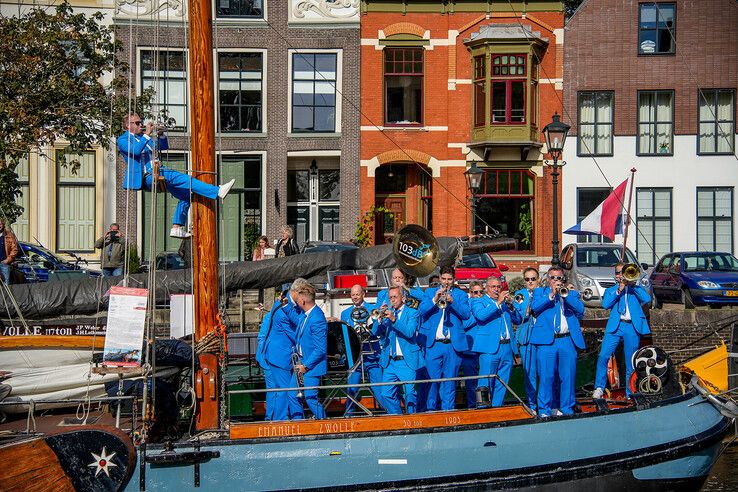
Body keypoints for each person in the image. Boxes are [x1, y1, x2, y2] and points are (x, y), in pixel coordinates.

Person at [117, 113, 235, 239]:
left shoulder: (144, 138)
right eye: (137, 123)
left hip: (157, 171)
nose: (141, 125)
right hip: (146, 176)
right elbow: (135, 151)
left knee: (186, 194)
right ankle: (217, 191)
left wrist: (161, 134)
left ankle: (176, 227)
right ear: (127, 125)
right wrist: (147, 134)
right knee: (178, 177)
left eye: (141, 122)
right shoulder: (123, 140)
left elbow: (162, 147)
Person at [530, 267, 585, 418]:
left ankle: (567, 408)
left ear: (563, 280)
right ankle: (544, 410)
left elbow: (581, 310)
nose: (556, 281)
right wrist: (551, 295)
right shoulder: (539, 292)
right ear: (548, 279)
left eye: (559, 278)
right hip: (547, 342)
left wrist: (567, 297)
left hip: (567, 340)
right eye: (553, 278)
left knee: (567, 377)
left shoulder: (570, 293)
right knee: (546, 377)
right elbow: (534, 308)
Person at [593, 263, 652, 399]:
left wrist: (631, 285)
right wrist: (619, 290)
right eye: (619, 273)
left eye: (624, 272)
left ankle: (630, 392)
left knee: (630, 361)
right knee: (603, 356)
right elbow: (605, 304)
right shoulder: (612, 290)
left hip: (631, 326)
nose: (622, 275)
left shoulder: (636, 289)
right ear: (616, 276)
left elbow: (647, 299)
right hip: (615, 326)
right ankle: (599, 388)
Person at [418, 266, 471, 411]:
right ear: (440, 278)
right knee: (432, 382)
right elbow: (421, 312)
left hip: (453, 346)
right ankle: (431, 412)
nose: (446, 282)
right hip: (434, 345)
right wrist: (435, 299)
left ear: (454, 280)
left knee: (449, 383)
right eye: (444, 279)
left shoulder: (460, 295)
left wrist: (453, 301)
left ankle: (448, 412)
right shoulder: (429, 292)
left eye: (449, 279)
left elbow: (466, 314)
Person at [470, 276, 522, 407]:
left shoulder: (504, 304)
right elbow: (481, 316)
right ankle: (482, 410)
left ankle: (497, 409)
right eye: (493, 287)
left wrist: (511, 307)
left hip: (506, 348)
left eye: (499, 287)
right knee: (484, 383)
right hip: (489, 349)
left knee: (502, 383)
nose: (497, 289)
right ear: (486, 288)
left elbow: (518, 320)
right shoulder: (479, 301)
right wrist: (497, 303)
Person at [373, 286, 423, 414]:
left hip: (406, 361)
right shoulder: (387, 314)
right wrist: (379, 321)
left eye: (395, 297)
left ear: (403, 297)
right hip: (390, 362)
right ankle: (398, 418)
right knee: (385, 394)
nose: (392, 300)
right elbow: (375, 333)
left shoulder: (412, 312)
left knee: (410, 394)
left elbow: (410, 332)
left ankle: (412, 420)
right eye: (390, 298)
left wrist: (394, 320)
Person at [339, 284, 384, 414]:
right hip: (355, 356)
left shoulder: (372, 309)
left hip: (372, 355)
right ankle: (348, 416)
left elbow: (377, 331)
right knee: (352, 388)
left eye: (357, 294)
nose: (355, 297)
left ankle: (386, 413)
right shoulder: (345, 313)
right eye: (353, 294)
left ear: (363, 294)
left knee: (378, 388)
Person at [263, 286, 303, 420]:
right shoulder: (283, 310)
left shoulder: (283, 305)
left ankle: (286, 418)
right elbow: (295, 333)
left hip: (279, 353)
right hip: (280, 355)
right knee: (284, 389)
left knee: (282, 389)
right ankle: (280, 420)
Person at [291, 278, 328, 419]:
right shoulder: (305, 316)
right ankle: (298, 423)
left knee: (311, 397)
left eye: (298, 300)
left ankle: (323, 423)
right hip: (301, 362)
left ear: (303, 301)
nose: (297, 302)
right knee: (291, 394)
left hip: (311, 366)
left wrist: (306, 366)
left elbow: (320, 349)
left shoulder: (317, 318)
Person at [256, 290, 288, 421]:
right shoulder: (272, 315)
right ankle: (272, 418)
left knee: (276, 388)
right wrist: (265, 355)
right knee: (274, 389)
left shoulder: (274, 313)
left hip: (274, 357)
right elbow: (262, 337)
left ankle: (274, 417)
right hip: (270, 358)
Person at [513, 267, 541, 411]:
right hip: (526, 339)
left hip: (543, 339)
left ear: (539, 280)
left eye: (533, 279)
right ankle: (532, 406)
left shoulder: (544, 293)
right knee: (529, 374)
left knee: (544, 373)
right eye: (527, 279)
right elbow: (518, 318)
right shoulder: (520, 295)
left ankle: (544, 406)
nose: (530, 282)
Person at [459, 281, 484, 408]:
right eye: (475, 292)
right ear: (470, 293)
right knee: (471, 382)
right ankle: (472, 406)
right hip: (470, 350)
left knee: (484, 381)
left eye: (481, 292)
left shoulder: (486, 303)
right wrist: (478, 314)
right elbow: (462, 325)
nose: (478, 295)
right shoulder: (466, 306)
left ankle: (484, 406)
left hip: (484, 349)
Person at [0, 219, 19, 284]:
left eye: (0, 224)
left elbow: (14, 250)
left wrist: (7, 260)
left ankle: (5, 294)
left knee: (6, 284)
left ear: (3, 225)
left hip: (4, 264)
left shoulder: (9, 235)